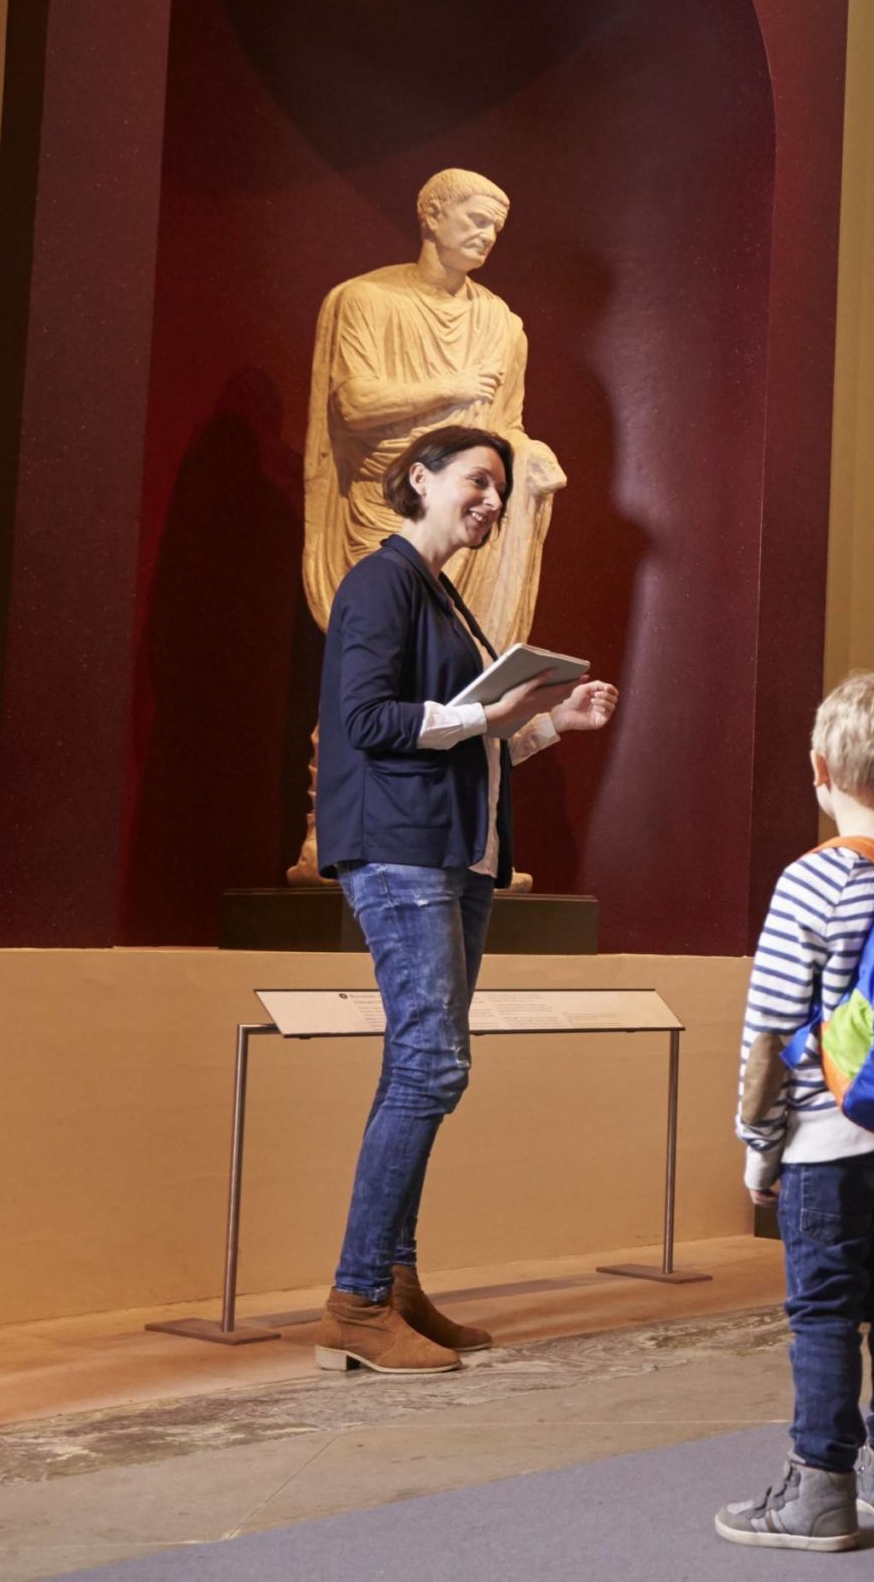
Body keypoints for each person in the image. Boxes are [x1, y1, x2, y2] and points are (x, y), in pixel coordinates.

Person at [309, 425, 618, 1375]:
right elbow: (364, 720)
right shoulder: (381, 580)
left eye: (501, 486)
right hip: (401, 853)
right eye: (477, 480)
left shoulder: (446, 596)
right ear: (421, 479)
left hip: (454, 854)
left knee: (420, 1065)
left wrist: (545, 723)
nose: (492, 499)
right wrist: (492, 712)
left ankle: (392, 1283)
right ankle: (357, 1299)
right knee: (432, 1067)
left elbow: (467, 736)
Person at [715, 674, 874, 1552]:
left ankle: (819, 1489)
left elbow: (771, 1028)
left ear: (819, 769)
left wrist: (756, 1145)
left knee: (822, 1311)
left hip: (828, 1141)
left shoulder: (812, 879)